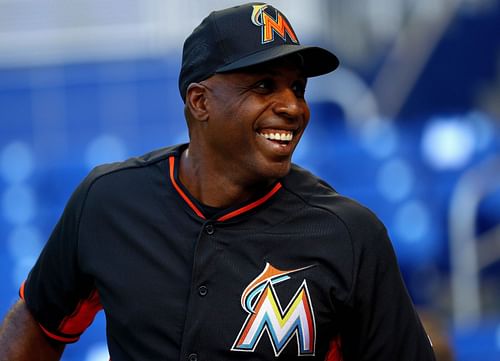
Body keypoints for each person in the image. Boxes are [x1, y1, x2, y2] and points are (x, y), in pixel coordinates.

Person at [0, 3, 436, 360]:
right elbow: (35, 323)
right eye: (265, 85)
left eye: (298, 88)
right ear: (200, 100)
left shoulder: (348, 234)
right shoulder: (108, 202)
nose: (292, 107)